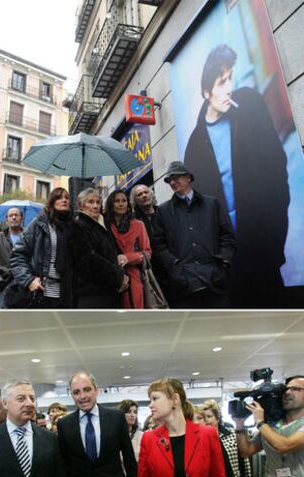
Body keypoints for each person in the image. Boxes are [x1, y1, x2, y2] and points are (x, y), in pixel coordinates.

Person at [184, 44, 290, 308]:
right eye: (221, 82)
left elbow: (277, 169)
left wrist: (275, 239)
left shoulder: (248, 108)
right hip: (228, 260)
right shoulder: (195, 145)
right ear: (206, 91)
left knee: (279, 316)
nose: (228, 87)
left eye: (230, 78)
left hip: (263, 244)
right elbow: (195, 213)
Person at [152, 161, 236, 309]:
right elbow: (159, 245)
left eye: (175, 177)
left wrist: (221, 263)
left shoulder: (212, 204)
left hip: (215, 282)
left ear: (188, 178)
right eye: (169, 180)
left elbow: (227, 236)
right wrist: (175, 268)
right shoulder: (163, 211)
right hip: (184, 286)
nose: (172, 182)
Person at [10, 188, 73, 309]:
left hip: (66, 293)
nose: (64, 200)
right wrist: (28, 280)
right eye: (59, 197)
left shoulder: (72, 227)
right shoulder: (39, 224)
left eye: (67, 197)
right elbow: (17, 255)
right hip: (41, 290)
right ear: (51, 202)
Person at [69, 188, 129, 308]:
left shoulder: (103, 224)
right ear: (81, 205)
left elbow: (111, 253)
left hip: (110, 290)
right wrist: (118, 277)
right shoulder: (77, 225)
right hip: (92, 294)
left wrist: (121, 267)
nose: (95, 206)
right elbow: (89, 259)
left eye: (98, 202)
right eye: (90, 202)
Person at [104, 190, 152, 309]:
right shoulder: (104, 224)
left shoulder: (138, 225)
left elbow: (147, 252)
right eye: (117, 201)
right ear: (111, 204)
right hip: (110, 276)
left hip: (133, 277)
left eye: (124, 201)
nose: (121, 204)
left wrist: (128, 257)